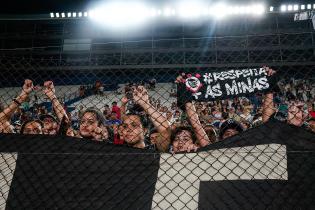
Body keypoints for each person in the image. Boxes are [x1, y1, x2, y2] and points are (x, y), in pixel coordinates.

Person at [119, 86, 171, 151]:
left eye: (134, 125)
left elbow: (165, 130)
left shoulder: (154, 149)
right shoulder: (119, 150)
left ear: (145, 130)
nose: (128, 130)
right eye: (125, 127)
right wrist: (123, 104)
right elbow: (123, 120)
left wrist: (145, 104)